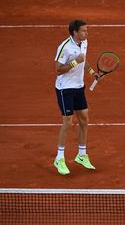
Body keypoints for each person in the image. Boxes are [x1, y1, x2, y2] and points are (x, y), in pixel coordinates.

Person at [53, 20, 100, 175]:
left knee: (84, 119)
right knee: (68, 122)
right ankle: (59, 158)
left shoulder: (84, 43)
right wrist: (74, 62)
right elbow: (58, 70)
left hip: (79, 87)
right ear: (75, 32)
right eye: (84, 31)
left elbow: (83, 60)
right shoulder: (64, 47)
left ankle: (81, 154)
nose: (86, 33)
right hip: (65, 89)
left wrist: (92, 71)